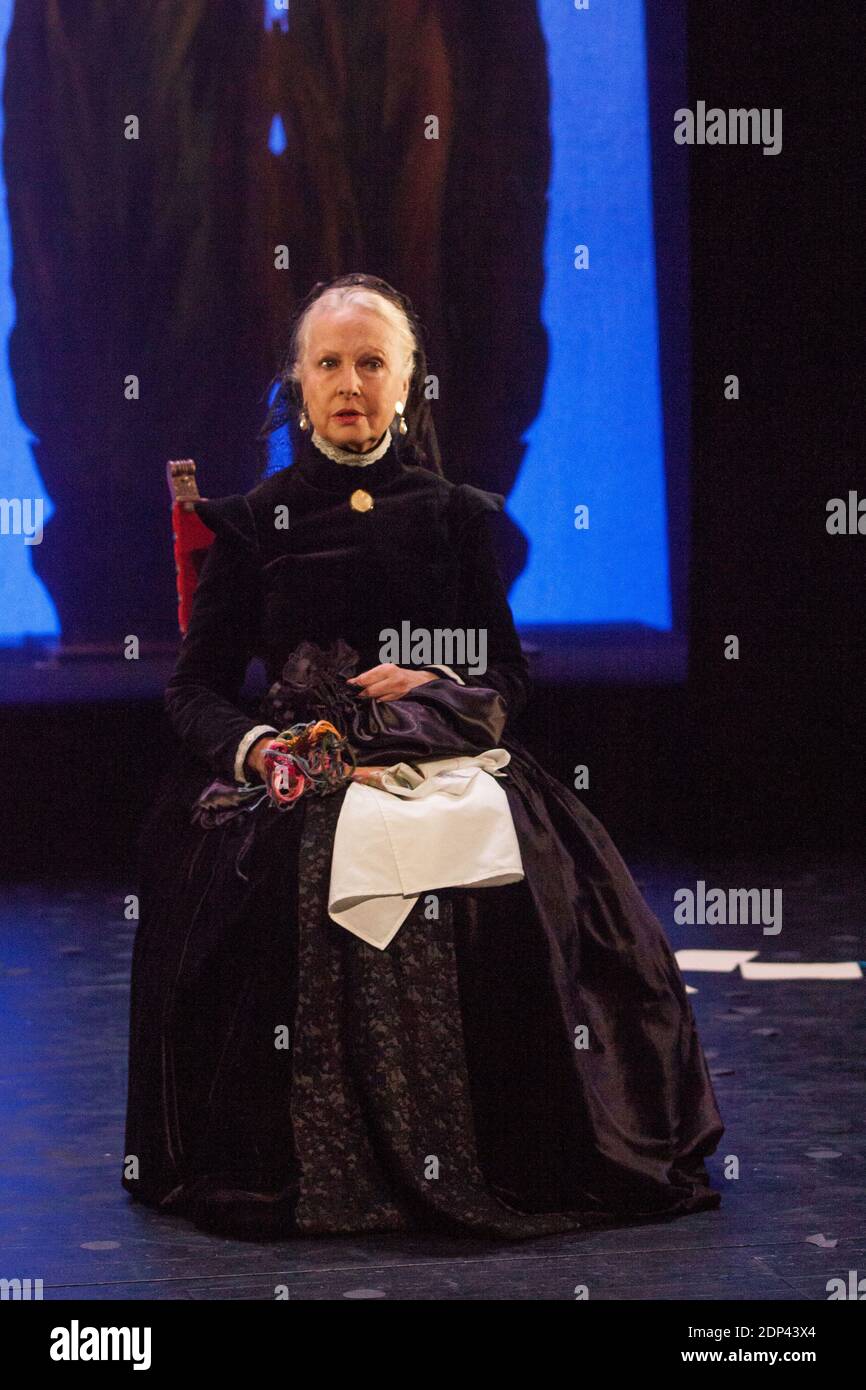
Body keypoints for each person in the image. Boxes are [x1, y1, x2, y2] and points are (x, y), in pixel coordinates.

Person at [121, 272, 724, 1240]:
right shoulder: (249, 522)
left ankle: (505, 1147)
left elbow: (505, 674)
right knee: (279, 872)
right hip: (298, 766)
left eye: (371, 363)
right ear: (298, 381)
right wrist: (259, 748)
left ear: (407, 383)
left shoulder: (453, 515)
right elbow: (191, 690)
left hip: (435, 754)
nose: (349, 382)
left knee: (517, 873)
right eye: (329, 363)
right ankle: (321, 1158)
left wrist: (439, 683)